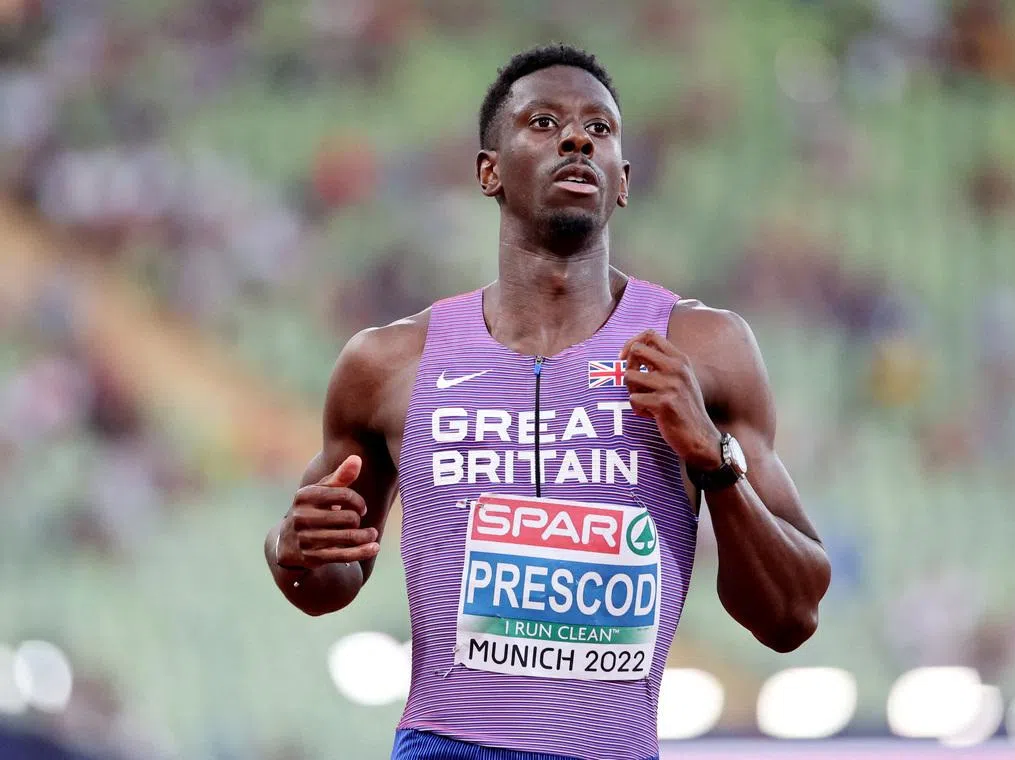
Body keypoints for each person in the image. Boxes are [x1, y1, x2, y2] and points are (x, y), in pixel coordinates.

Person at [263, 44, 831, 760]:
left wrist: (715, 463)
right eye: (542, 122)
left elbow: (792, 614)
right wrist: (289, 546)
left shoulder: (705, 350)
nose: (576, 138)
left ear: (622, 180)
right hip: (447, 747)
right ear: (489, 171)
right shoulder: (387, 363)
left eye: (600, 129)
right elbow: (324, 583)